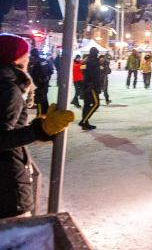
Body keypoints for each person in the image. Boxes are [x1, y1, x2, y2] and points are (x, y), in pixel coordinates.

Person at [0, 33, 74, 218]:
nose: (28, 58)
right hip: (6, 185)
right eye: (25, 54)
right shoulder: (8, 88)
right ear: (15, 58)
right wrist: (40, 129)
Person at [79, 47, 102, 130]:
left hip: (86, 85)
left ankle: (86, 123)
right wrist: (94, 85)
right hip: (92, 86)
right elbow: (96, 76)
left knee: (87, 105)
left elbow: (83, 71)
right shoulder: (94, 62)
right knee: (96, 104)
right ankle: (84, 121)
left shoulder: (86, 61)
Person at [28, 48, 53, 116]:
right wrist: (47, 80)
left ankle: (40, 117)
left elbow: (32, 75)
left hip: (38, 85)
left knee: (39, 102)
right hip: (45, 84)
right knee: (44, 100)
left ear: (32, 54)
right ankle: (44, 116)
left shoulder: (34, 62)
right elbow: (51, 71)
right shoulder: (45, 60)